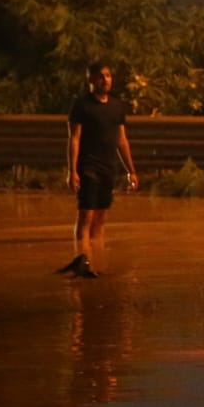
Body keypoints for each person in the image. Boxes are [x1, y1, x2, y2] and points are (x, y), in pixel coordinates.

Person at [59, 61, 138, 278]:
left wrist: (131, 170)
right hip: (88, 166)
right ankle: (81, 261)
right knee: (86, 215)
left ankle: (96, 261)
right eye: (101, 76)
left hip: (108, 167)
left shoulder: (117, 106)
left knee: (101, 218)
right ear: (91, 79)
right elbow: (74, 139)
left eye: (109, 76)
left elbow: (122, 140)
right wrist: (72, 170)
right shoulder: (82, 106)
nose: (106, 80)